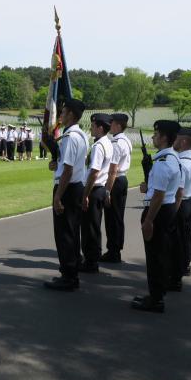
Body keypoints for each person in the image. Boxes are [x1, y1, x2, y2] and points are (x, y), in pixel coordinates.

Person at [132, 119, 182, 313]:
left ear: (163, 138)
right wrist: (148, 188)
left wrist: (149, 220)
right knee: (159, 253)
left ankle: (155, 299)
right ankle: (156, 294)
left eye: (156, 134)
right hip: (166, 209)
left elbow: (159, 195)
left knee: (155, 256)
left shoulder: (162, 162)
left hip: (158, 211)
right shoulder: (172, 158)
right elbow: (171, 191)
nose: (153, 137)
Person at [44, 98, 88, 291]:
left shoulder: (70, 137)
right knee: (71, 232)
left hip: (67, 189)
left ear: (71, 114)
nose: (60, 115)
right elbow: (66, 164)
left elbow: (68, 170)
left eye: (63, 112)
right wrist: (56, 163)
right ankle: (71, 272)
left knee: (65, 234)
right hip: (74, 187)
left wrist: (57, 196)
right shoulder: (80, 135)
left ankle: (69, 276)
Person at [79, 113, 113, 273]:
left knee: (89, 227)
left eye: (93, 126)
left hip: (94, 189)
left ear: (100, 127)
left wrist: (85, 194)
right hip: (100, 189)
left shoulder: (99, 146)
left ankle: (91, 261)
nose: (91, 128)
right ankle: (93, 258)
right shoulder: (107, 142)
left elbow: (94, 172)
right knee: (94, 225)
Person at [172, 127, 191, 287]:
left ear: (183, 141)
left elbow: (178, 191)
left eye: (177, 138)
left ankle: (176, 271)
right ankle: (184, 264)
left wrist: (172, 212)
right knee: (185, 234)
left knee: (177, 239)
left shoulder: (183, 162)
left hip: (182, 201)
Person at [101, 113, 132, 264]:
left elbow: (113, 169)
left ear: (118, 125)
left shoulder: (116, 143)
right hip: (122, 179)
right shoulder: (125, 140)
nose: (109, 126)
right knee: (118, 217)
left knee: (112, 217)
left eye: (111, 123)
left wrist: (107, 190)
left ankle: (113, 251)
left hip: (115, 180)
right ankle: (116, 249)